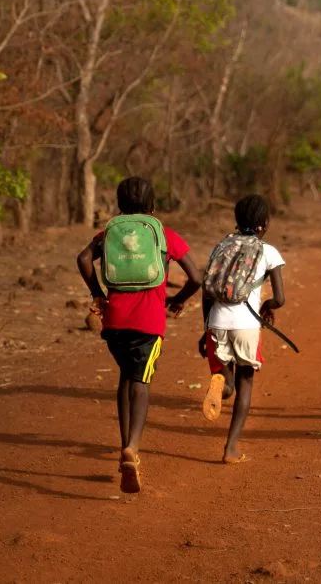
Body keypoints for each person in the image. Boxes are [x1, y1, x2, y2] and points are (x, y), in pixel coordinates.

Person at [76, 176, 203, 493]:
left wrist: (98, 294)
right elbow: (197, 277)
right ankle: (132, 447)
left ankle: (125, 448)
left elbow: (83, 259)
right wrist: (177, 300)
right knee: (141, 383)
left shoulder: (109, 233)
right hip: (148, 323)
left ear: (119, 204)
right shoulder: (163, 234)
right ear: (153, 204)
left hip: (114, 321)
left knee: (126, 377)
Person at [201, 194, 285, 464]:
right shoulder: (268, 251)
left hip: (216, 322)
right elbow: (280, 299)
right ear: (265, 224)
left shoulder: (221, 246)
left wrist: (205, 328)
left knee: (226, 378)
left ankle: (222, 384)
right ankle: (231, 448)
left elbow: (207, 292)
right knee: (245, 384)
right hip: (247, 325)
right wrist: (267, 305)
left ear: (237, 220)